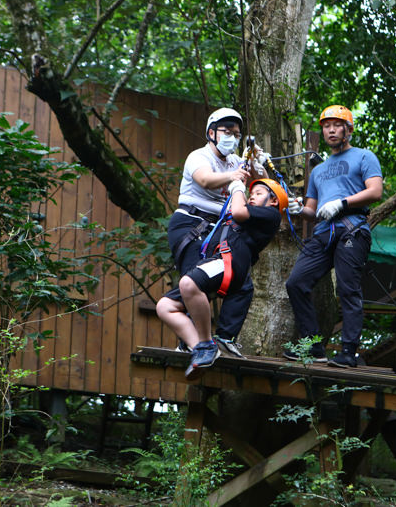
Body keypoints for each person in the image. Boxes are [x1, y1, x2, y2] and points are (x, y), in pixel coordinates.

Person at [157, 178, 288, 379]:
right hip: (218, 263)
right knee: (165, 307)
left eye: (258, 193)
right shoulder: (250, 215)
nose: (252, 197)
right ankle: (199, 348)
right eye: (251, 194)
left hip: (231, 263)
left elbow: (239, 211)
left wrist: (237, 187)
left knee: (188, 283)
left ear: (273, 201)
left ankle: (206, 345)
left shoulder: (271, 215)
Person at [283, 105, 383, 368]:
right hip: (323, 232)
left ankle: (348, 352)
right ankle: (314, 346)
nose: (331, 130)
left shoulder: (364, 156)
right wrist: (298, 209)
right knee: (296, 282)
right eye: (327, 126)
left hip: (352, 228)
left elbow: (375, 191)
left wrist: (342, 202)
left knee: (348, 289)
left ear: (348, 130)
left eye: (337, 125)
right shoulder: (318, 171)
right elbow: (312, 211)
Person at [165, 107, 267, 358]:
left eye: (236, 134)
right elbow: (205, 180)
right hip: (191, 223)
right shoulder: (198, 156)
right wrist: (234, 177)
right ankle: (191, 342)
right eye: (226, 132)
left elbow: (261, 184)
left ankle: (224, 338)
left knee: (240, 277)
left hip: (220, 228)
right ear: (212, 133)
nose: (232, 137)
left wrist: (259, 163)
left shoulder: (235, 160)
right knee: (196, 276)